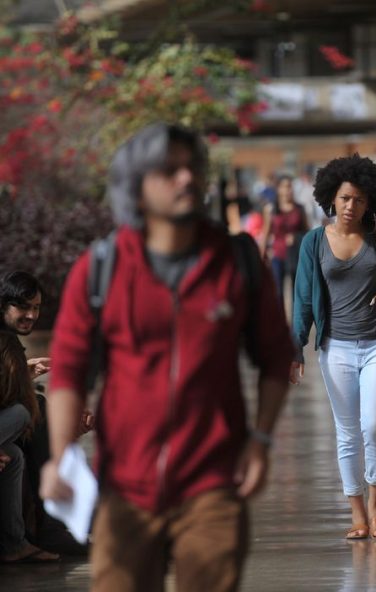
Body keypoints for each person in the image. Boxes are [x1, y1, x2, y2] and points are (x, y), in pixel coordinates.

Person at [41, 123, 296, 592]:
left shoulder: (236, 261)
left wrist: (260, 439)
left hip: (214, 483)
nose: (187, 180)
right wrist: (60, 454)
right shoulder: (101, 268)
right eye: (169, 170)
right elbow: (69, 369)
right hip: (123, 487)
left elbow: (277, 357)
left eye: (192, 168)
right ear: (137, 184)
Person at [292, 154, 376, 539]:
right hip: (335, 349)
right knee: (347, 432)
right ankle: (356, 511)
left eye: (360, 199)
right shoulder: (314, 241)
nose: (351, 206)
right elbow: (303, 298)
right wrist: (295, 348)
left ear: (368, 202)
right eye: (345, 198)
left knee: (374, 424)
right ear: (331, 199)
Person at [0, 271, 58, 563]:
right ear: (4, 306)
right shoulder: (5, 343)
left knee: (13, 455)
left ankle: (14, 545)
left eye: (36, 307)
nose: (31, 315)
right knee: (28, 409)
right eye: (23, 307)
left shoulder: (9, 342)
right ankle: (50, 525)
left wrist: (23, 374)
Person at [266, 175, 308, 315]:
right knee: (277, 292)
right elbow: (265, 234)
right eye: (284, 187)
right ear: (278, 189)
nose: (287, 190)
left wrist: (296, 237)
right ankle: (279, 327)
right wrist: (261, 256)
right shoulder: (271, 209)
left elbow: (307, 233)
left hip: (296, 256)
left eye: (289, 186)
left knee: (295, 293)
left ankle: (294, 330)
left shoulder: (300, 209)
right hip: (277, 256)